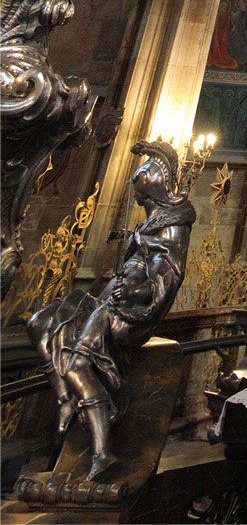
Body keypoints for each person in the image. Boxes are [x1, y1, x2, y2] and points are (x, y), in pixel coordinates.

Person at [27, 141, 195, 481]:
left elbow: (169, 275)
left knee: (76, 364)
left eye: (144, 197)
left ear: (156, 190)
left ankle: (102, 453)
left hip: (127, 309)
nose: (141, 202)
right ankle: (64, 399)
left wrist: (133, 289)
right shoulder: (149, 225)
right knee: (39, 322)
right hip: (109, 299)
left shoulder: (174, 224)